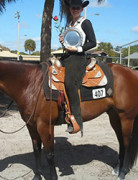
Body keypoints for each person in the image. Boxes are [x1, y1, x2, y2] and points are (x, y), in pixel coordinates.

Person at [59, 0, 97, 134]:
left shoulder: (85, 22)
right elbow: (69, 42)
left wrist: (78, 49)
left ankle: (77, 121)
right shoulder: (69, 24)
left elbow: (93, 42)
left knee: (70, 83)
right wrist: (63, 41)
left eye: (78, 8)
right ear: (69, 9)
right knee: (51, 69)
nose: (75, 10)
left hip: (79, 57)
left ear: (81, 9)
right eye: (73, 7)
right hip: (68, 55)